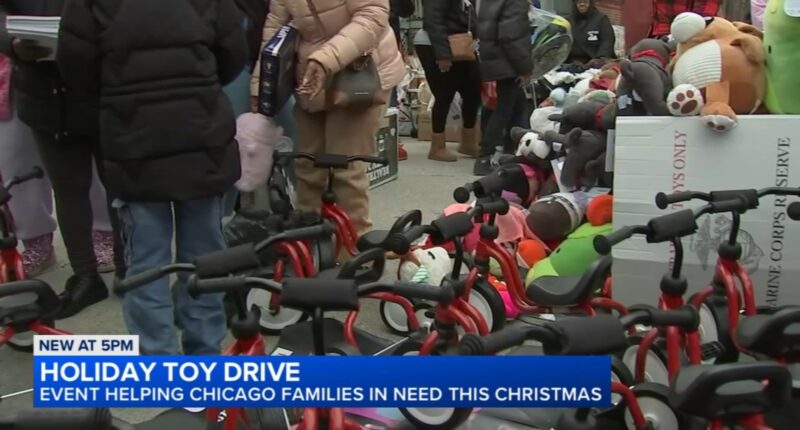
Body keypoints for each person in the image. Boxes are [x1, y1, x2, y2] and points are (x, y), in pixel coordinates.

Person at [57, 0, 247, 355]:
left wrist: (119, 90)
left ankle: (158, 360)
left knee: (146, 261)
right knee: (204, 255)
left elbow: (75, 66)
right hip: (199, 137)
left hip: (134, 141)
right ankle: (205, 353)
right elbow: (233, 53)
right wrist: (195, 84)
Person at [0, 0, 125, 319]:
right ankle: (86, 276)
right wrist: (12, 43)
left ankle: (128, 267)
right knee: (69, 190)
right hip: (45, 95)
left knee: (119, 186)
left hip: (105, 91)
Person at [250, 0, 405, 236]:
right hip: (310, 78)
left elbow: (372, 15)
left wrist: (325, 58)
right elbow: (275, 30)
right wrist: (260, 87)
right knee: (307, 165)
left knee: (345, 169)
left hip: (359, 75)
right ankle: (310, 242)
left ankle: (353, 248)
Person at [414, 0, 481, 162]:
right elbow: (433, 21)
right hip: (435, 44)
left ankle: (468, 141)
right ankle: (437, 146)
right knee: (445, 93)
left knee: (473, 90)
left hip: (461, 43)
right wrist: (443, 55)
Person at [474, 0, 534, 175]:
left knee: (516, 106)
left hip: (496, 58)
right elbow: (511, 36)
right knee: (504, 110)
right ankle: (485, 156)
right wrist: (524, 66)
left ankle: (511, 154)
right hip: (508, 61)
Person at [564, 0, 616, 65]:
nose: (582, 4)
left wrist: (600, 58)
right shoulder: (567, 20)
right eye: (579, 2)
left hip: (594, 61)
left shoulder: (601, 19)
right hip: (571, 61)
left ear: (590, 3)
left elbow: (608, 40)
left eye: (585, 2)